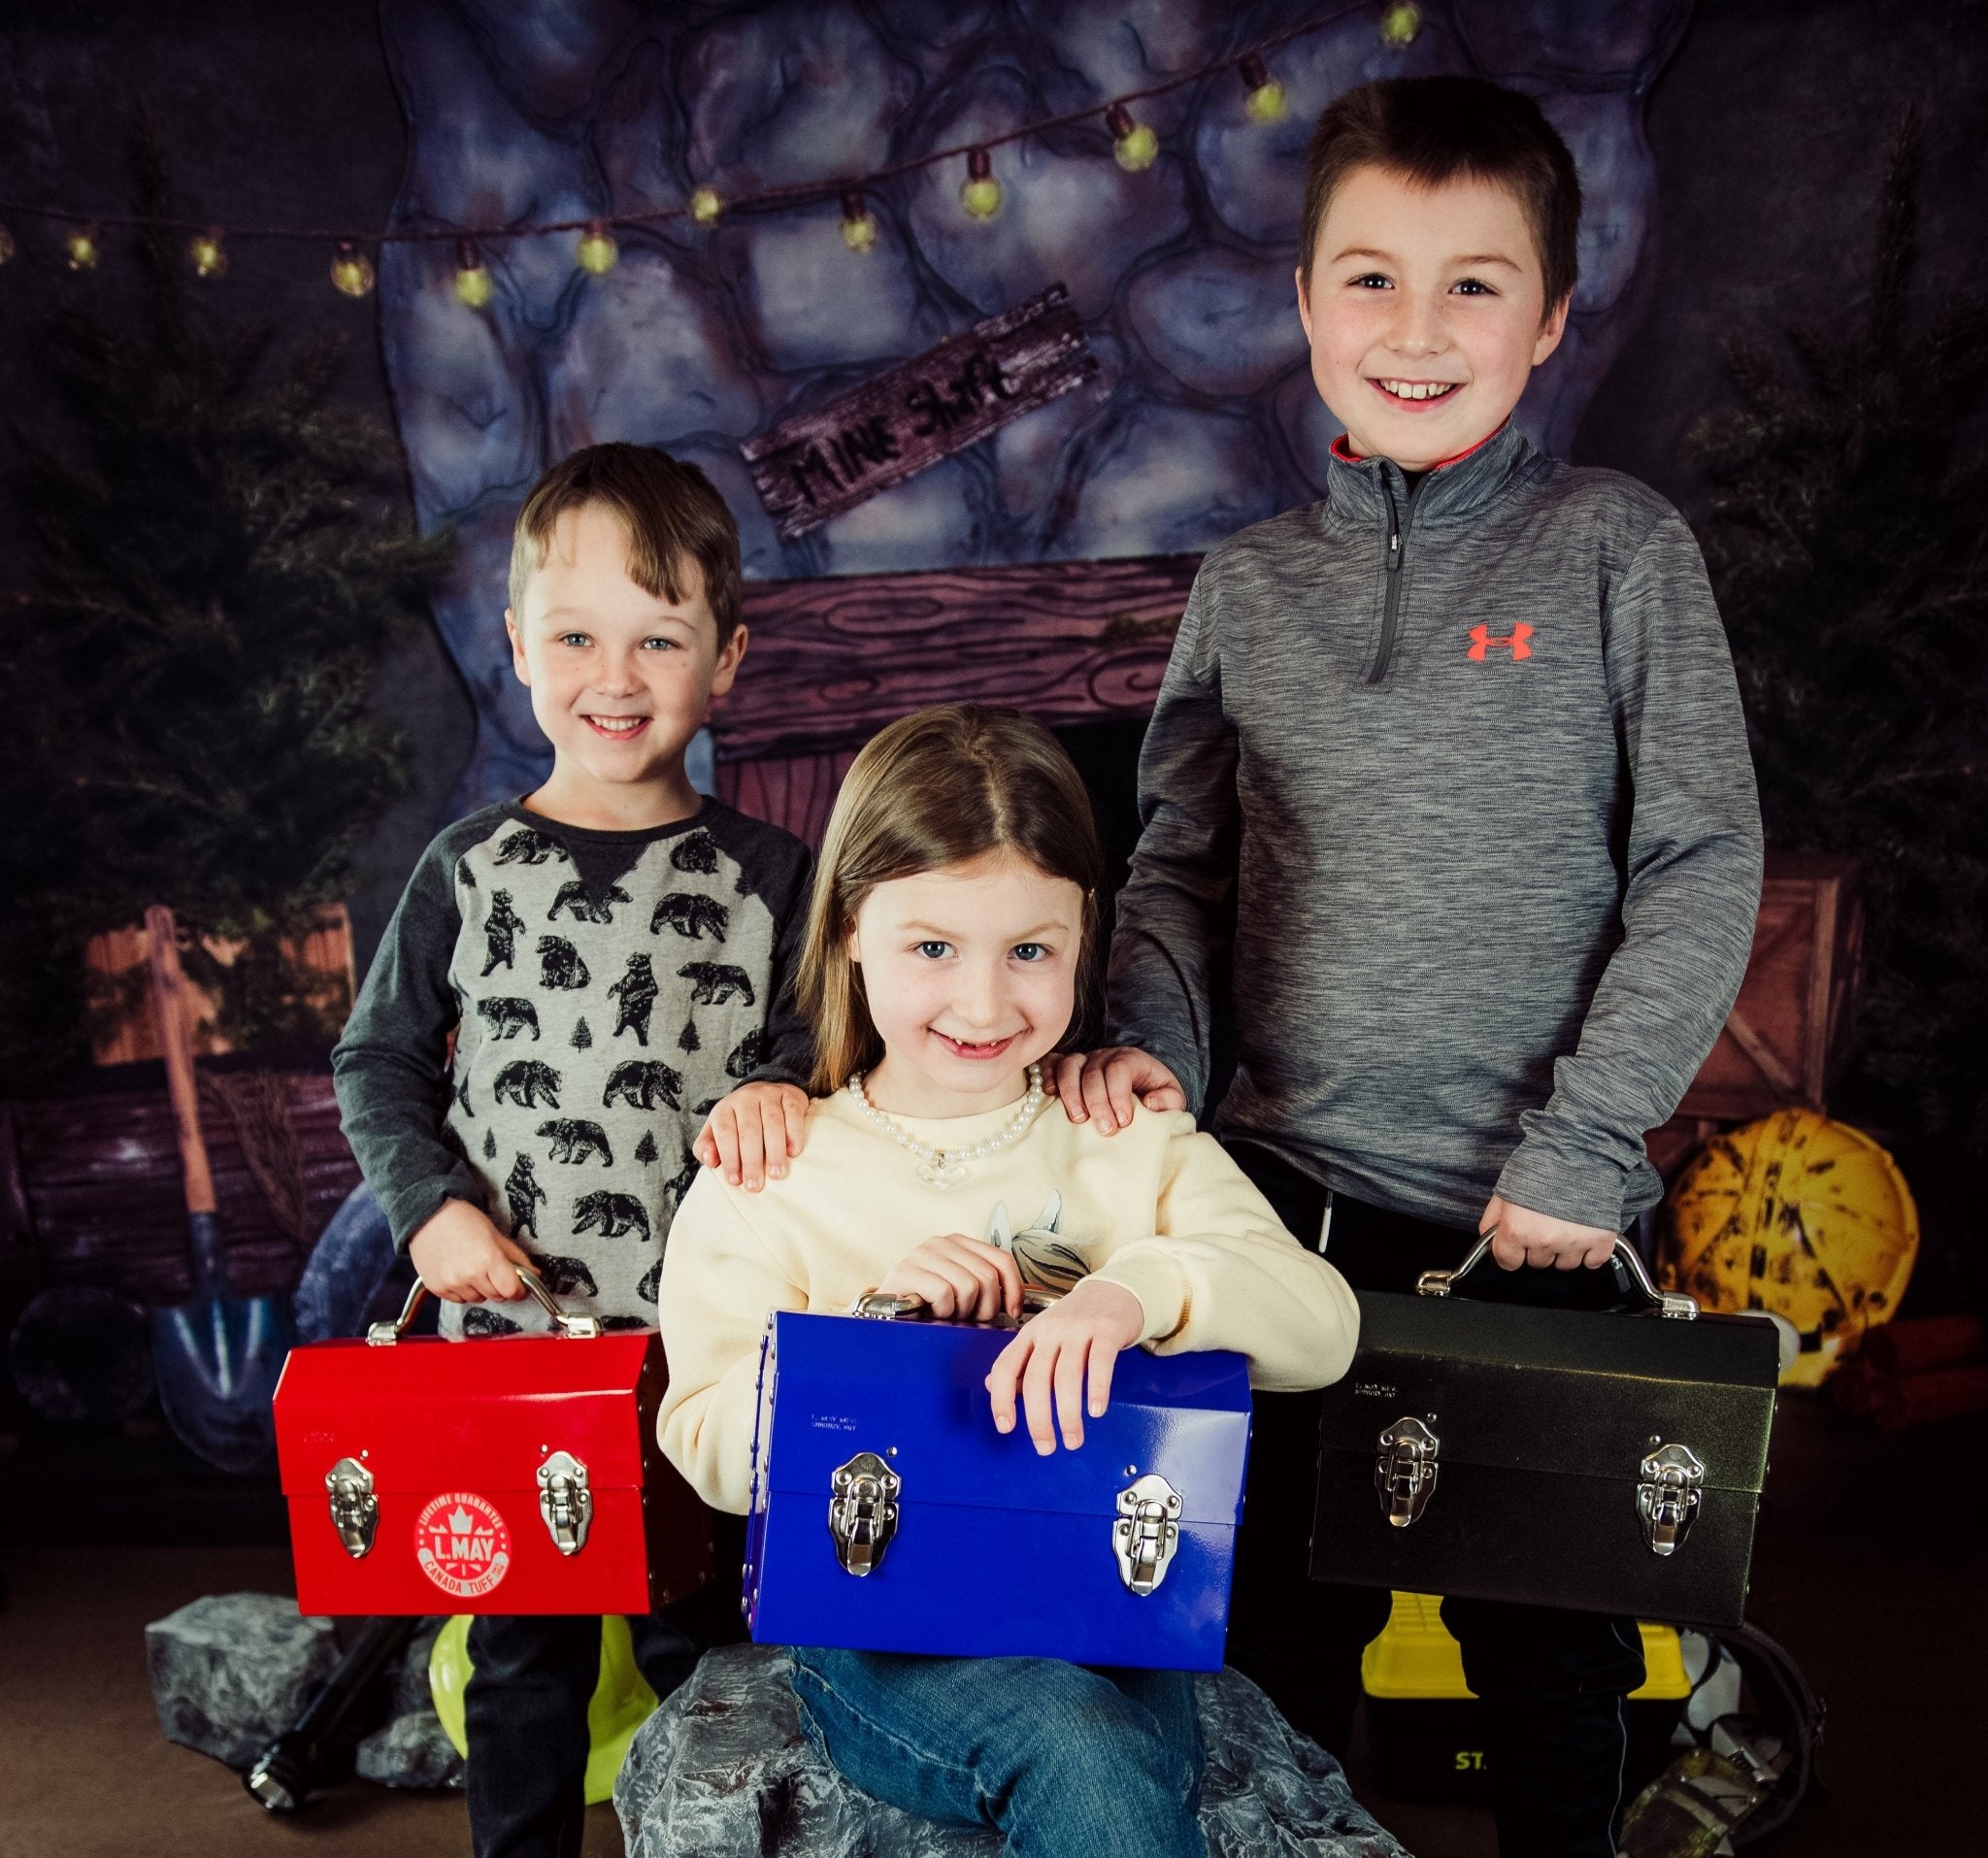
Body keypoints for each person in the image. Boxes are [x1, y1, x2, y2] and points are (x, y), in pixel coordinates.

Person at [1050, 76, 1764, 1858]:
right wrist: (1146, 1052)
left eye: (1471, 284)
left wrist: (1584, 1150)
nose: (1417, 328)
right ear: (1301, 306)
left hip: (1532, 1218)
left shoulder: (1617, 554)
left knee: (1547, 1646)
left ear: (1549, 316)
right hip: (1277, 1205)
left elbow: (1697, 861)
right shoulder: (1245, 585)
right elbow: (1175, 864)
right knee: (1277, 1638)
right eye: (1369, 279)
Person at [656, 704, 1360, 1858]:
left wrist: (1130, 1293)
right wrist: (879, 1332)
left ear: (1086, 938)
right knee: (1078, 1746)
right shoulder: (769, 1172)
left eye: (1029, 950)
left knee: (1102, 1734)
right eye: (932, 948)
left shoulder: (1127, 1139)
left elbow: (1323, 1328)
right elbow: (710, 1450)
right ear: (846, 932)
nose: (984, 1005)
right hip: (881, 1633)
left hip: (1113, 1612)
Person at [332, 442, 812, 1858]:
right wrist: (429, 1214)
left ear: (726, 656)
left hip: (708, 1352)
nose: (617, 672)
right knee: (524, 1654)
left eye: (661, 636)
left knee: (707, 1648)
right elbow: (376, 1061)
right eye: (578, 634)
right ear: (517, 648)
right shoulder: (468, 870)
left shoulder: (772, 879)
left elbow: (826, 1048)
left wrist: (789, 1086)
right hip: (515, 1344)